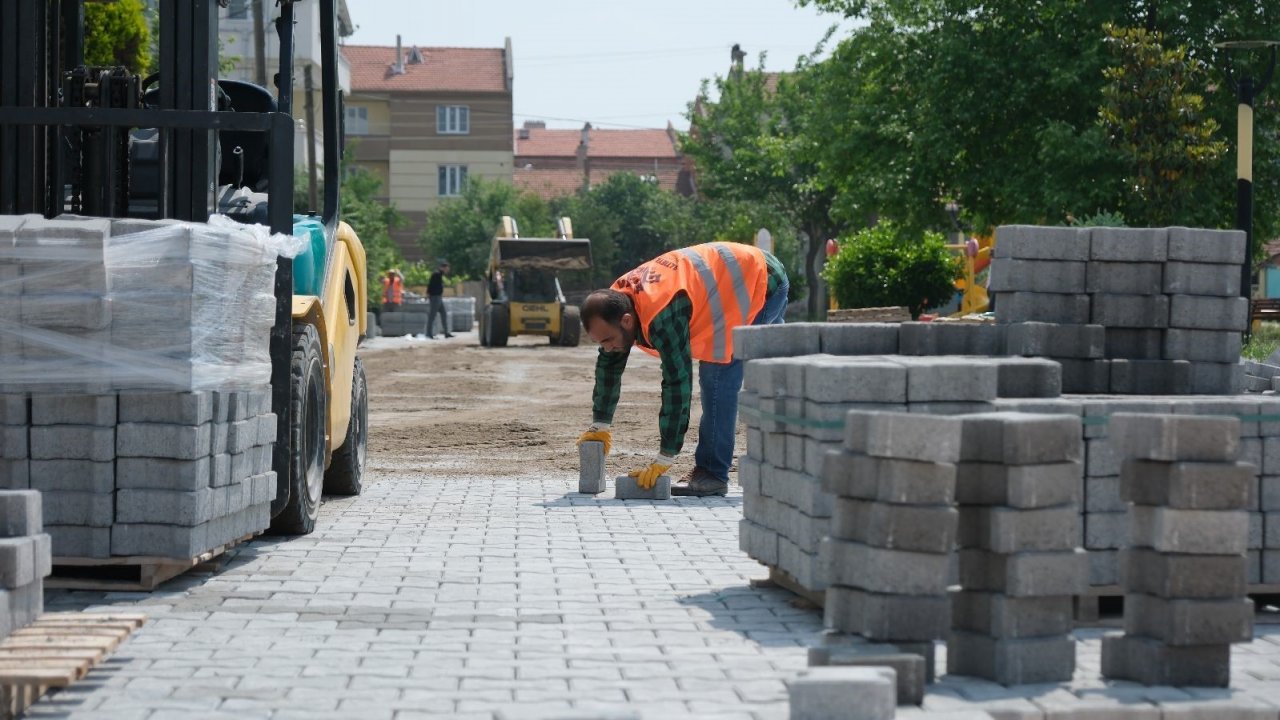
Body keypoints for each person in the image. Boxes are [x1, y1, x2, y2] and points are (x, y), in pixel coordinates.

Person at [577, 242, 789, 497]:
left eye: (607, 341)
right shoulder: (613, 304)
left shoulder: (662, 311)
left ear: (627, 321)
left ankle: (712, 473)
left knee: (717, 378)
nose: (607, 348)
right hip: (739, 276)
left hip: (758, 281)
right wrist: (600, 424)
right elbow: (608, 366)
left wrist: (665, 456)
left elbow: (677, 383)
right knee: (779, 367)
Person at [426, 260, 453, 339]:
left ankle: (446, 333)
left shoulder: (440, 275)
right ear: (442, 268)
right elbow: (430, 285)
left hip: (439, 297)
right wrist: (428, 294)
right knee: (432, 315)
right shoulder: (436, 274)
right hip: (435, 297)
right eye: (447, 268)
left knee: (444, 314)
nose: (447, 270)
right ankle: (429, 333)